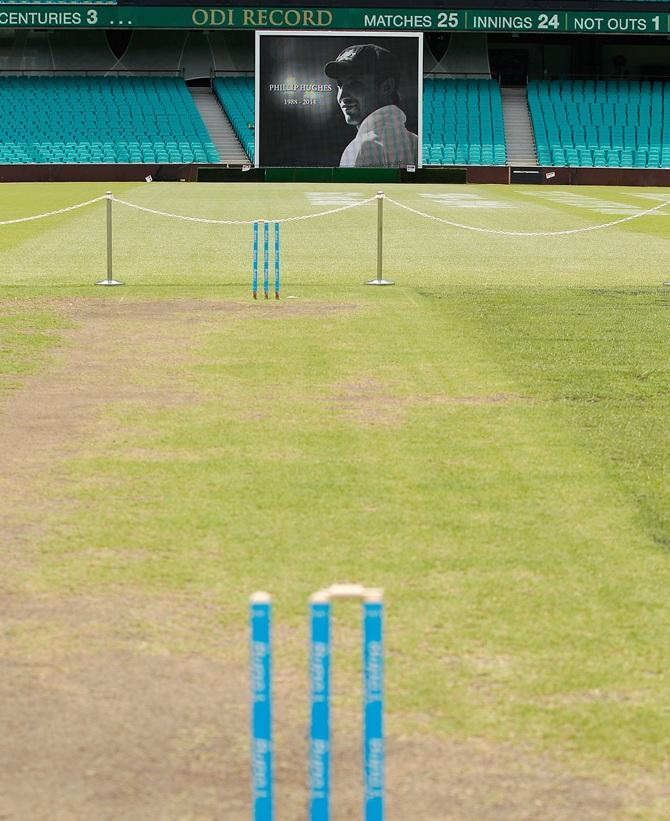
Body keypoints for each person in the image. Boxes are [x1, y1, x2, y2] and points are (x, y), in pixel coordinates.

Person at [324, 44, 418, 168]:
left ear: (387, 87)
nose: (342, 96)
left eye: (355, 83)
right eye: (340, 85)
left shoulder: (360, 147)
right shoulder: (417, 143)